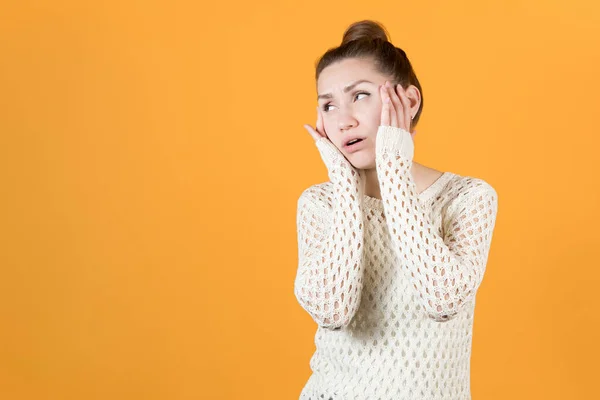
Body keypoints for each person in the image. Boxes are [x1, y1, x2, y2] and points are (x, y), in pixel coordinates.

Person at [293, 19, 499, 400]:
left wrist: (394, 170)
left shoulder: (467, 197)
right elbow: (332, 311)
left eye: (360, 96)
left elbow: (443, 300)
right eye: (328, 104)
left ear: (409, 100)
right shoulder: (319, 203)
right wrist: (343, 183)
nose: (343, 120)